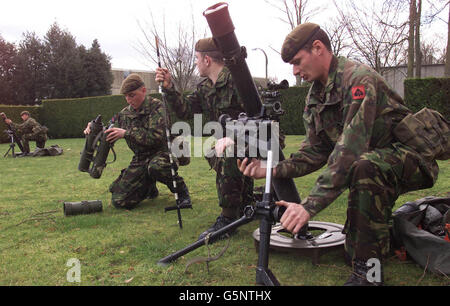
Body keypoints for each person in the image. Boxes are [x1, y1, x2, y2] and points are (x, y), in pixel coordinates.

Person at [237, 23, 441, 286]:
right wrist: (271, 170)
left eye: (298, 62)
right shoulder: (315, 97)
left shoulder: (358, 79)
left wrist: (308, 207)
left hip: (413, 158)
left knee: (364, 167)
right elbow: (314, 151)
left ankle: (369, 274)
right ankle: (374, 244)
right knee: (356, 233)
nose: (295, 71)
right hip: (374, 160)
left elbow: (349, 150)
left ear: (318, 48)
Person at [155, 38, 254, 241]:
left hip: (256, 140)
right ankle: (246, 201)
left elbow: (258, 117)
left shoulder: (239, 81)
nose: (196, 63)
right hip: (227, 145)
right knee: (214, 149)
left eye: (197, 59)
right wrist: (169, 87)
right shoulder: (205, 88)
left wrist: (234, 137)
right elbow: (185, 110)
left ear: (207, 60)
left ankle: (228, 219)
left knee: (228, 150)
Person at [84, 73, 191, 210]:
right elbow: (108, 129)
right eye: (126, 96)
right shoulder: (124, 114)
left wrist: (126, 133)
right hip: (140, 159)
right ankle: (149, 186)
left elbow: (156, 136)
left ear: (144, 90)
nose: (129, 100)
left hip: (163, 153)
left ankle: (182, 193)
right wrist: (92, 129)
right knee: (119, 200)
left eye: (132, 95)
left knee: (156, 167)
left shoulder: (157, 107)